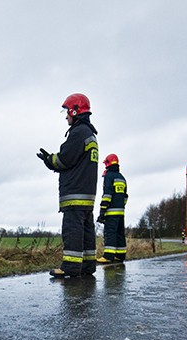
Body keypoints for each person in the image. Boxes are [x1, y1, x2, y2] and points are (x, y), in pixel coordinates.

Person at [37, 93, 99, 278]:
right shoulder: (90, 134)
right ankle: (88, 266)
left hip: (75, 193)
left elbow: (65, 159)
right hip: (87, 194)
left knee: (73, 230)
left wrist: (49, 160)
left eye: (67, 112)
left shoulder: (78, 133)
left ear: (75, 111)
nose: (66, 117)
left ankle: (70, 268)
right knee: (86, 232)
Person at [96, 153, 128, 263]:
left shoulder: (109, 176)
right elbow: (125, 196)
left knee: (110, 233)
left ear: (108, 163)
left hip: (111, 211)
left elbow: (107, 195)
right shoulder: (122, 178)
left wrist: (102, 211)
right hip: (121, 212)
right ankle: (120, 255)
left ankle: (108, 256)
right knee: (120, 233)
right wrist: (121, 206)